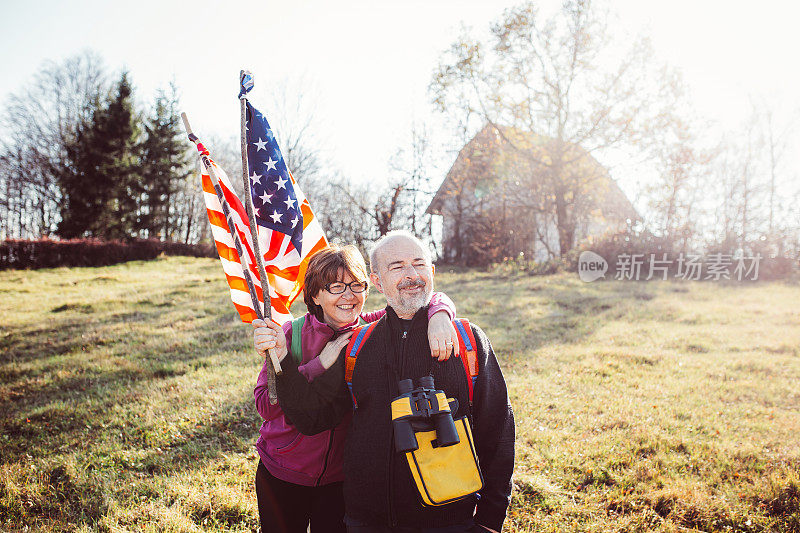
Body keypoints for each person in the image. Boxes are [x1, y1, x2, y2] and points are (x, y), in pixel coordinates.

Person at [263, 231, 515, 532]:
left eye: (419, 264)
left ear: (432, 272)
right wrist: (283, 362)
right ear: (378, 281)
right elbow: (312, 418)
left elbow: (499, 433)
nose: (411, 275)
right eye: (397, 267)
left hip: (450, 520)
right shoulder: (358, 344)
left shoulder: (467, 341)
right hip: (366, 521)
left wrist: (489, 519)